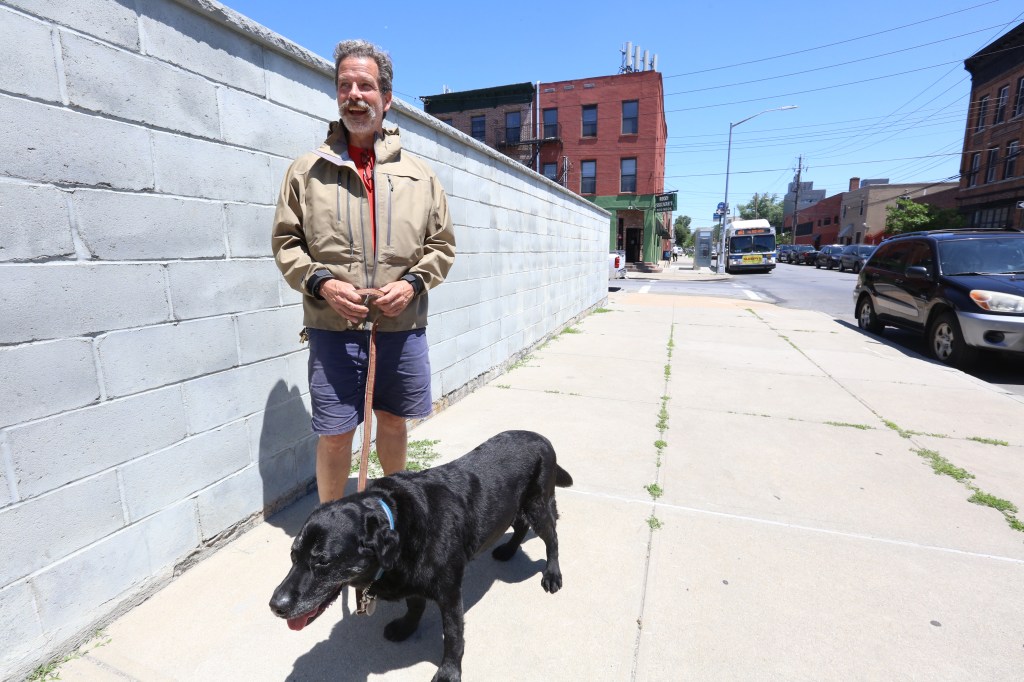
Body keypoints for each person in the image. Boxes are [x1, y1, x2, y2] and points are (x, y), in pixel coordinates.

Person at [272, 39, 456, 503]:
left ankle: (399, 520)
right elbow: (286, 243)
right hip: (334, 328)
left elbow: (442, 246)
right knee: (335, 434)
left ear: (386, 98)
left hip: (402, 325)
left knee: (394, 422)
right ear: (337, 94)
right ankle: (330, 536)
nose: (355, 94)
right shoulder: (306, 171)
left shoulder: (420, 176)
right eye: (345, 85)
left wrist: (412, 285)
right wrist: (323, 283)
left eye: (366, 85)